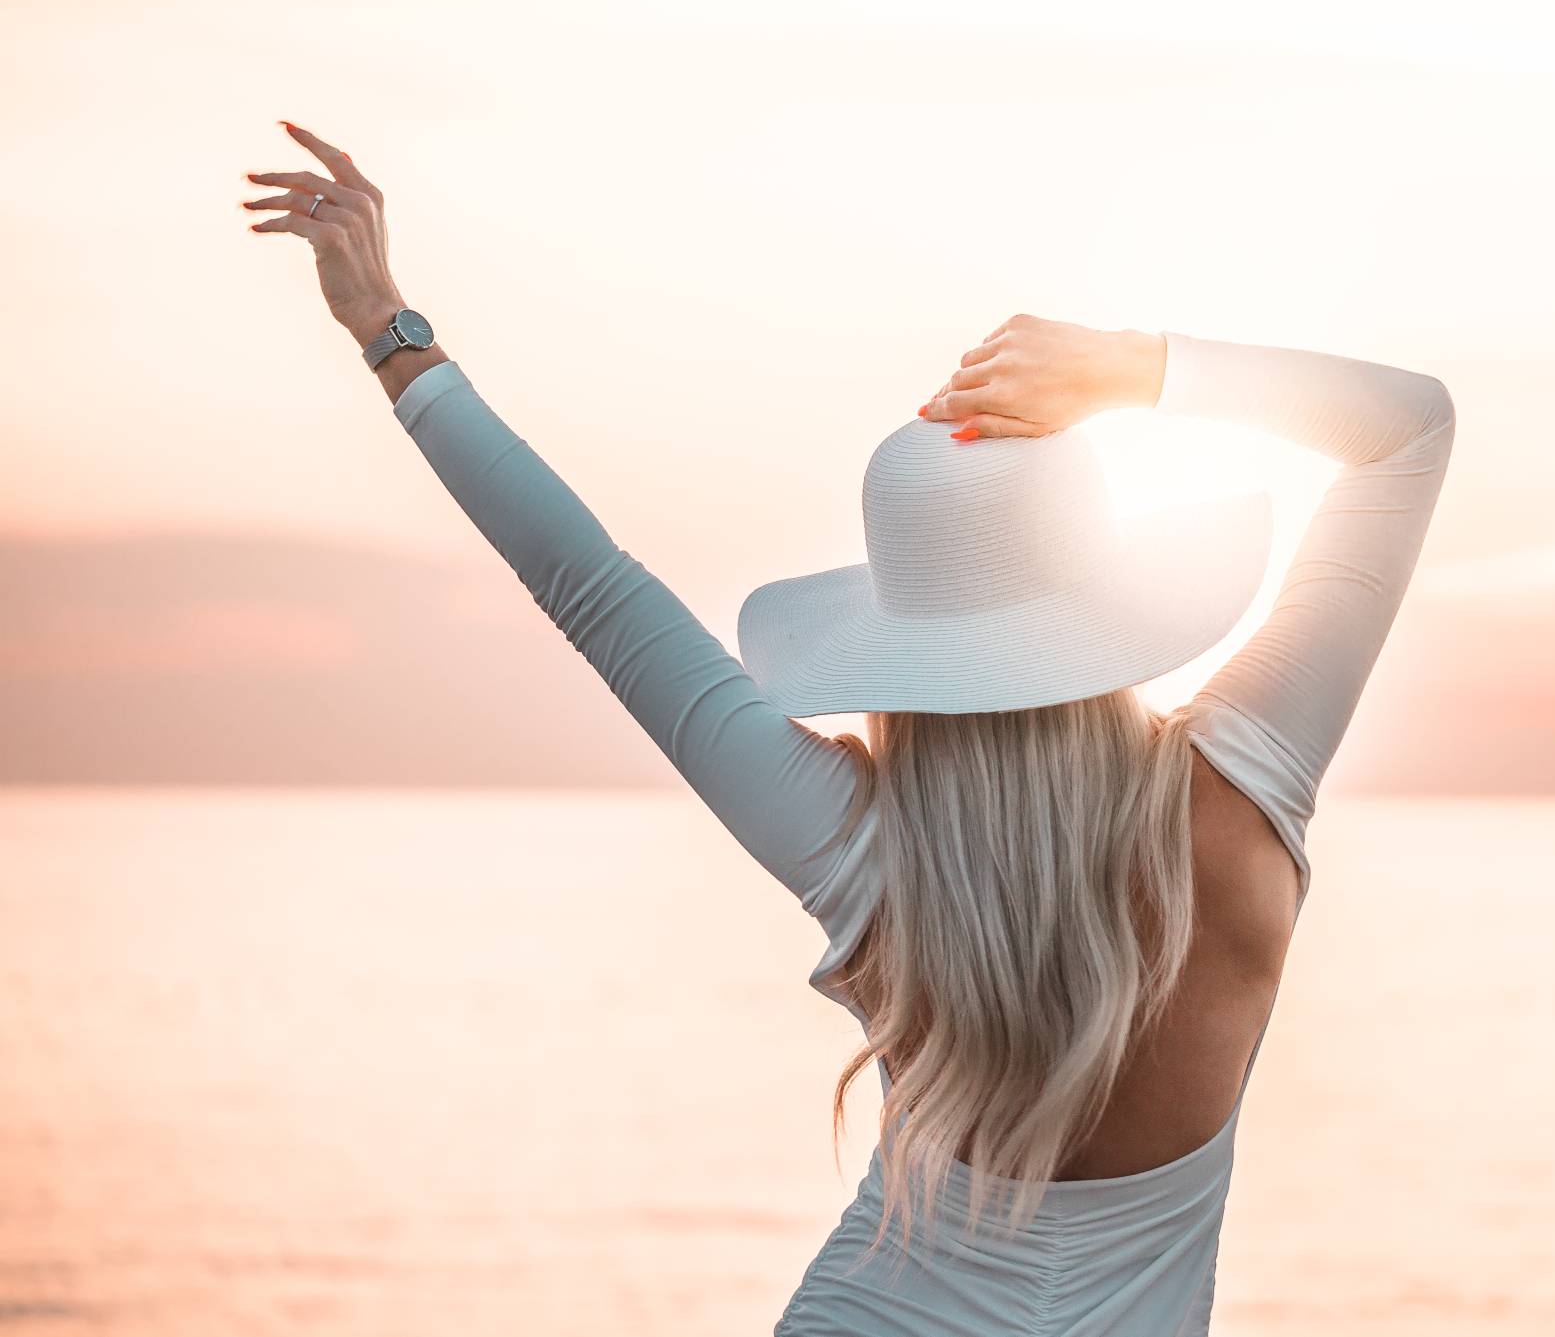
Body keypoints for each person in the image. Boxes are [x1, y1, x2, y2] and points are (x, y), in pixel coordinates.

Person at [244, 122, 1457, 1335]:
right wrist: (1134, 368)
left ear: (899, 644)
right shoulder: (1239, 797)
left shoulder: (861, 850)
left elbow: (592, 590)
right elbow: (1409, 429)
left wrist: (388, 330)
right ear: (1104, 599)